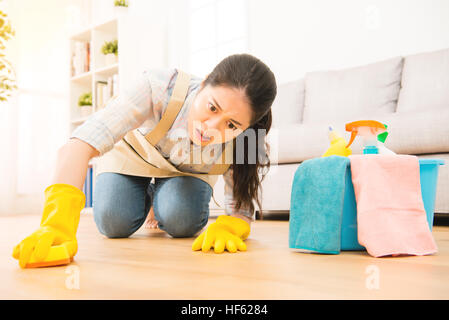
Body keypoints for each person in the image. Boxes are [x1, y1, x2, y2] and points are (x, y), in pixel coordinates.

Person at [12, 53, 277, 268]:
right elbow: (80, 145)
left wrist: (231, 227)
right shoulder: (160, 87)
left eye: (230, 124)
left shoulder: (249, 138)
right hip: (133, 156)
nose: (211, 129)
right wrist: (56, 224)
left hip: (185, 175)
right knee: (112, 221)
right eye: (212, 108)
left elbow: (240, 207)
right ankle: (146, 195)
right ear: (206, 81)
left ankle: (159, 196)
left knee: (181, 221)